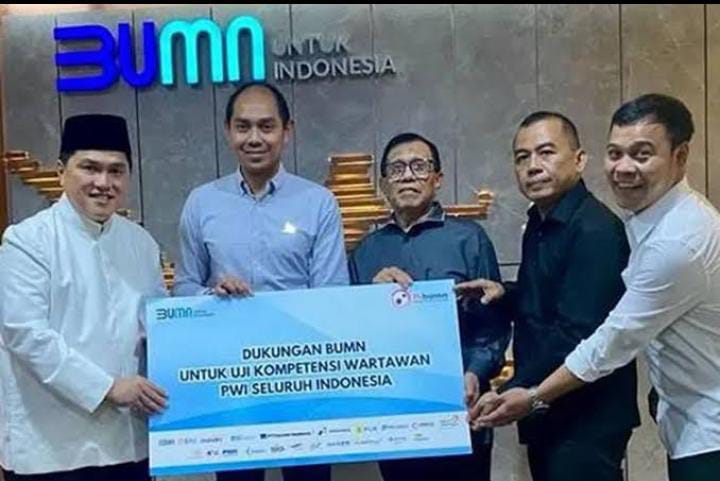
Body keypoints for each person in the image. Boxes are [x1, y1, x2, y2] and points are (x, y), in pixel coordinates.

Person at [473, 94, 720, 481]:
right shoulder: (553, 223)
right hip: (680, 417)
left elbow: (603, 337)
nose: (624, 167)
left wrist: (527, 392)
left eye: (641, 154)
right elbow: (556, 300)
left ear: (680, 155)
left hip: (622, 419)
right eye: (616, 154)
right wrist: (507, 293)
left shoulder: (659, 239)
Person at [175, 82, 348, 481]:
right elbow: (183, 286)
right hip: (231, 381)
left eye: (267, 126)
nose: (254, 138)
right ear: (228, 131)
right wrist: (211, 295)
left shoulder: (318, 203)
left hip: (303, 380)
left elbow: (332, 297)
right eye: (243, 127)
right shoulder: (201, 202)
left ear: (287, 131)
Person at [0, 114, 168, 481]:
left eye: (116, 171)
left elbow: (160, 327)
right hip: (52, 449)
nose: (103, 183)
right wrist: (108, 387)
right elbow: (25, 334)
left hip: (129, 443)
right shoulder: (26, 241)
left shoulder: (141, 243)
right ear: (62, 171)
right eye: (90, 168)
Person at [475, 112, 640, 481]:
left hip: (586, 417)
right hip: (549, 411)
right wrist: (505, 294)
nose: (533, 166)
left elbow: (576, 329)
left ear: (579, 160)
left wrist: (513, 387)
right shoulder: (540, 222)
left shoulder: (596, 230)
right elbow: (548, 300)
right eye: (522, 157)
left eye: (546, 152)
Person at [349, 132, 509, 481]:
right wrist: (370, 300)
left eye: (419, 166)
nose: (408, 176)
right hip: (396, 413)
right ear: (384, 184)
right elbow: (353, 332)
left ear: (437, 179)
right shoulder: (366, 251)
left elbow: (494, 324)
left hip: (461, 406)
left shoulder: (469, 239)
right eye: (397, 169)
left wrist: (475, 372)